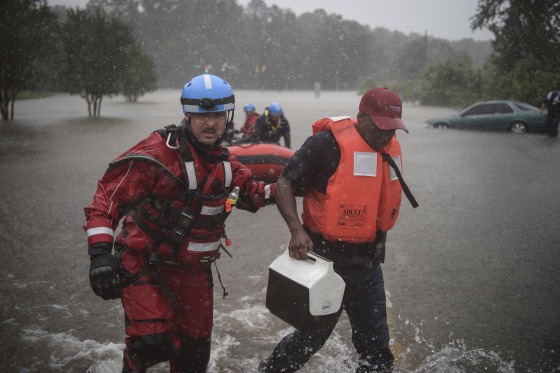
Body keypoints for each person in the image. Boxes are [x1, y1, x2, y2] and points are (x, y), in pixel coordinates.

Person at [84, 74, 275, 373]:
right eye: (201, 115)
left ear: (228, 117)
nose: (210, 123)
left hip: (194, 273)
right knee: (152, 342)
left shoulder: (228, 167)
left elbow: (251, 195)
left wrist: (292, 184)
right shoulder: (157, 155)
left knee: (194, 356)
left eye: (216, 115)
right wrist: (99, 255)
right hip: (145, 262)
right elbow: (106, 199)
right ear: (187, 115)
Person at [259, 87, 418, 373]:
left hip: (368, 268)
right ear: (361, 118)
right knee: (307, 342)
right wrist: (296, 231)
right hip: (326, 266)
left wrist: (381, 239)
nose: (386, 136)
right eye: (380, 127)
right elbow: (285, 183)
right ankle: (269, 369)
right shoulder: (326, 144)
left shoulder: (389, 150)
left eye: (392, 129)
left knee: (377, 351)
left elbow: (382, 204)